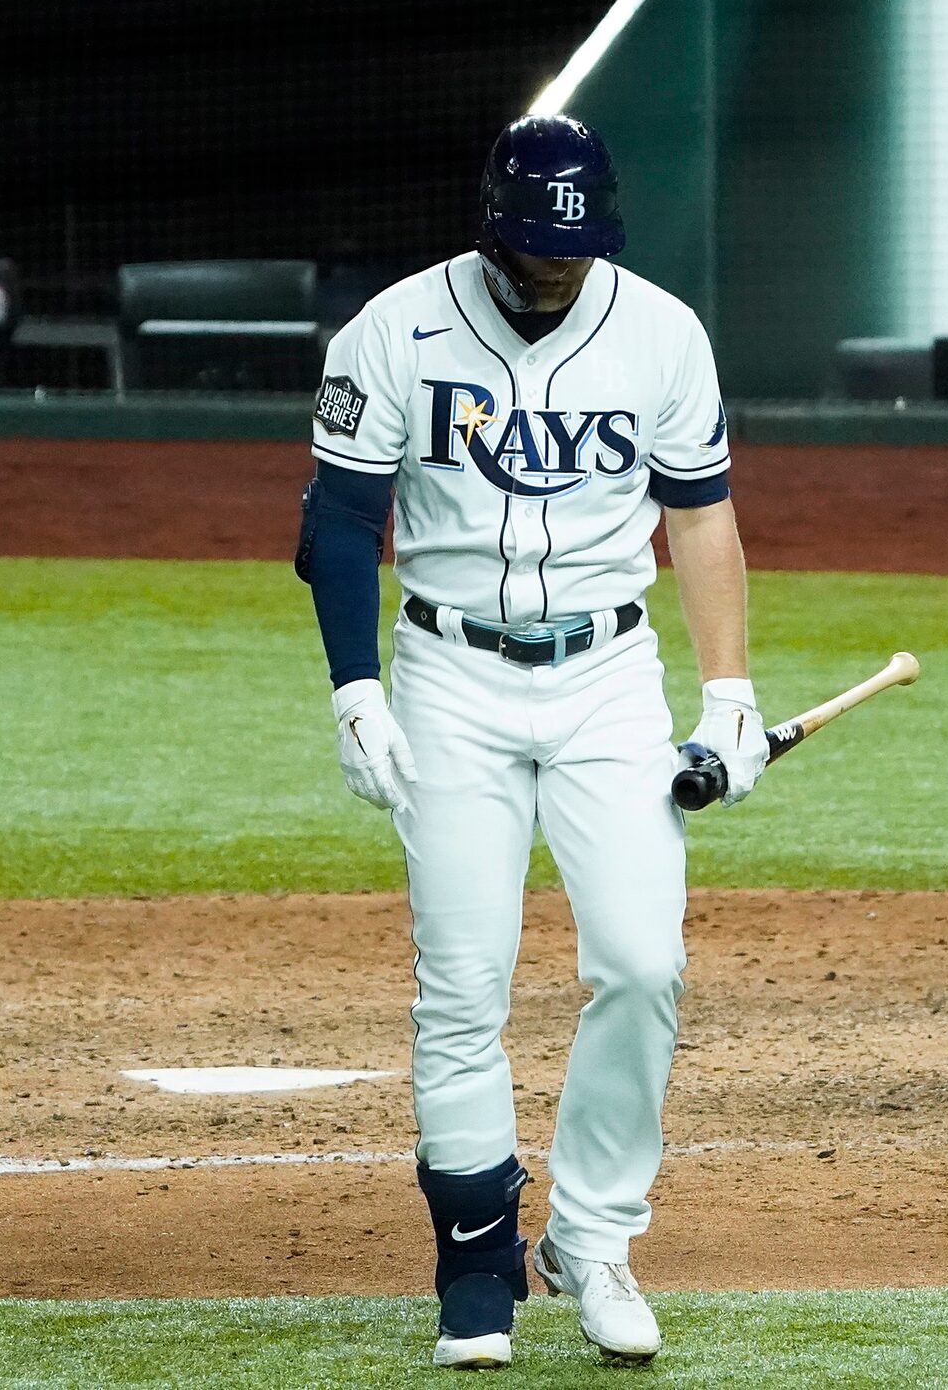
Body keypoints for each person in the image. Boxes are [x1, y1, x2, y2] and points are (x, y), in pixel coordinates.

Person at [296, 114, 767, 1368]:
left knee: (642, 959)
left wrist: (728, 692)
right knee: (464, 979)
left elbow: (702, 521)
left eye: (573, 252)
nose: (552, 270)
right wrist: (356, 688)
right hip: (446, 675)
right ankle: (474, 1272)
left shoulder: (664, 333)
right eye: (531, 249)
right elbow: (339, 521)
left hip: (610, 676)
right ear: (488, 228)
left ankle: (594, 1239)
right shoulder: (393, 329)